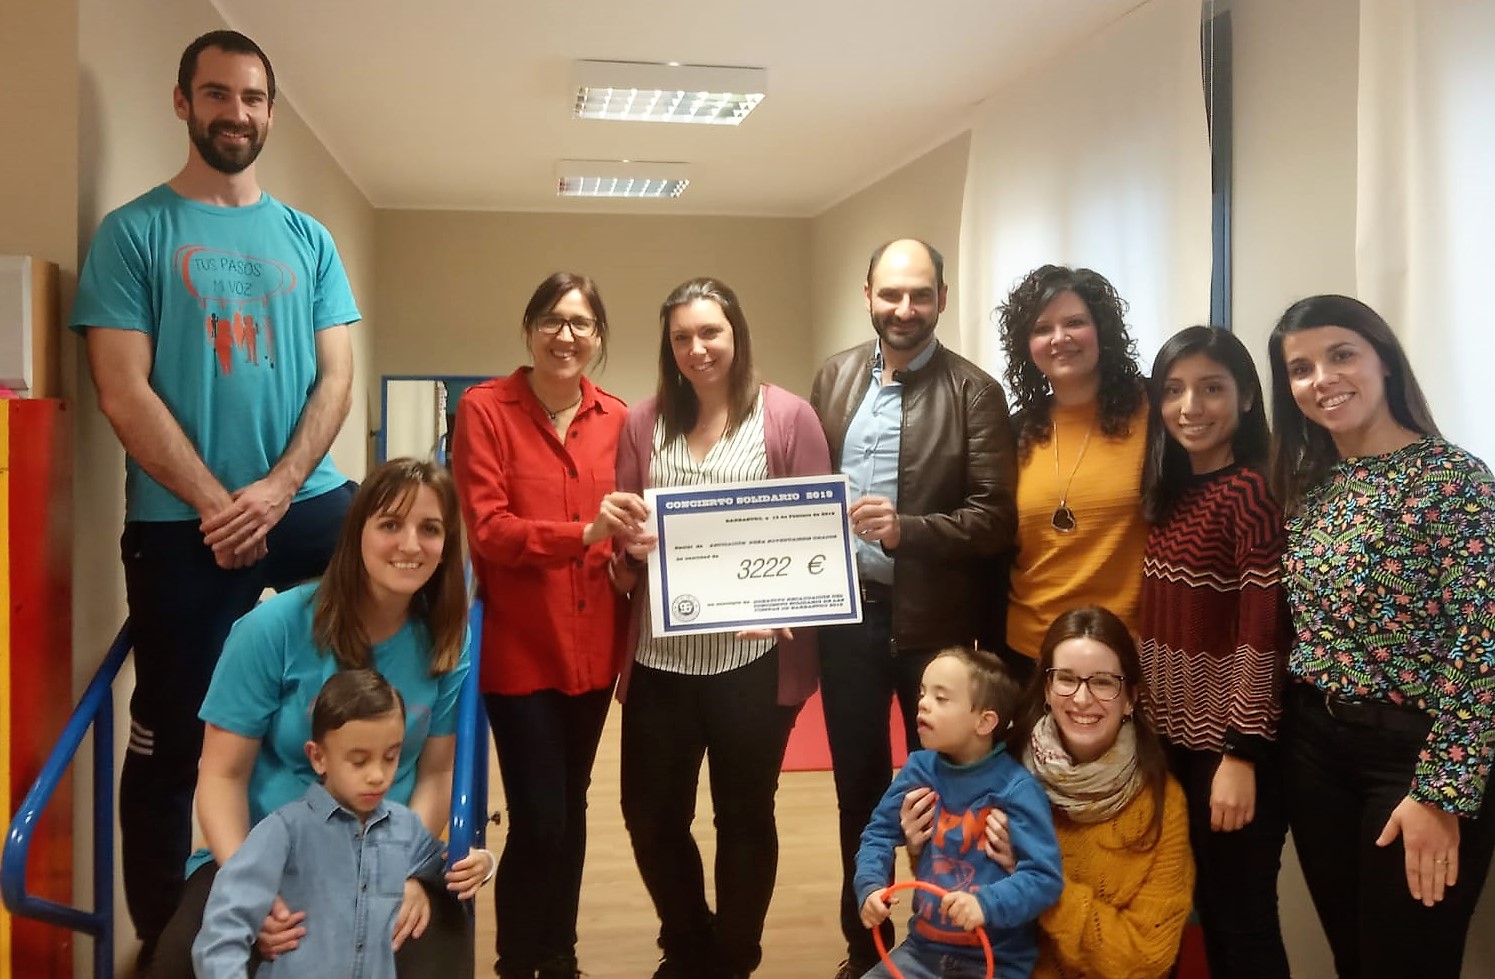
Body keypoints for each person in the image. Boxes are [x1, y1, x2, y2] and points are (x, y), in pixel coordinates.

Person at [68, 29, 360, 961]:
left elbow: (334, 380)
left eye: (252, 97)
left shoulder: (307, 240)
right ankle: (164, 941)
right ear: (183, 101)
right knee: (170, 739)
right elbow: (122, 387)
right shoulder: (136, 231)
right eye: (217, 94)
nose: (236, 112)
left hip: (301, 500)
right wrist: (217, 503)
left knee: (401, 554)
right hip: (178, 520)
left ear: (270, 109)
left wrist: (275, 491)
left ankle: (379, 867)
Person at [149, 459, 491, 978]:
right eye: (391, 525)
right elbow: (222, 775)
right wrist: (250, 887)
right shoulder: (272, 629)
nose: (410, 545)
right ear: (358, 533)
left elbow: (437, 773)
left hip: (384, 856)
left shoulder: (447, 641)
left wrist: (406, 874)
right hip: (264, 853)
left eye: (430, 529)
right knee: (178, 964)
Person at [1266, 295, 1495, 978]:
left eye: (1341, 354)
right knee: (1353, 960)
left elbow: (1482, 647)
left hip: (1413, 759)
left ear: (1383, 361)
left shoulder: (1454, 480)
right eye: (1300, 368)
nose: (1321, 378)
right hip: (1315, 753)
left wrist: (1438, 792)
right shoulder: (1308, 486)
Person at [613, 277, 832, 979]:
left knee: (743, 817)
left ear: (735, 335)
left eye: (710, 332)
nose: (697, 348)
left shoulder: (788, 417)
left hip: (751, 666)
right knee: (649, 816)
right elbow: (618, 547)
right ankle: (688, 940)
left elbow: (815, 541)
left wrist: (783, 604)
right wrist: (630, 548)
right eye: (682, 336)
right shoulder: (642, 423)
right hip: (659, 661)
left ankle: (734, 958)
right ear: (668, 346)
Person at [811, 238, 1016, 978]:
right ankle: (862, 939)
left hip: (931, 631)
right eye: (890, 293)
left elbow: (996, 518)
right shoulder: (833, 377)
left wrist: (908, 531)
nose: (903, 309)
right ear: (867, 292)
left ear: (941, 297)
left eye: (919, 295)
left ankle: (940, 946)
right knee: (856, 791)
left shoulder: (974, 392)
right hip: (843, 622)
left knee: (943, 794)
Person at [452, 272, 646, 979]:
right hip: (520, 651)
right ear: (529, 329)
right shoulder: (485, 409)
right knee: (540, 814)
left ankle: (558, 955)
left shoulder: (621, 417)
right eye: (552, 320)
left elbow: (629, 528)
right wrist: (584, 531)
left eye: (581, 323)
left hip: (596, 651)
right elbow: (489, 530)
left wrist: (631, 549)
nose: (566, 335)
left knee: (571, 803)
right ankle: (515, 960)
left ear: (597, 337)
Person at [923, 607, 1195, 977]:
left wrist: (1038, 882)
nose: (1082, 699)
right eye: (1066, 679)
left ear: (1130, 697)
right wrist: (924, 841)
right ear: (1048, 690)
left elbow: (1147, 958)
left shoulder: (1163, 804)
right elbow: (948, 906)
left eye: (1102, 682)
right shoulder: (1000, 772)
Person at [1136, 325, 1290, 977]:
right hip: (1170, 740)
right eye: (1172, 390)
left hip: (1228, 748)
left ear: (1247, 398)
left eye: (1210, 388)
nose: (1189, 407)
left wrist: (1239, 751)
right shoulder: (1169, 490)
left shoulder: (1252, 491)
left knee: (1240, 917)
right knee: (1198, 906)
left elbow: (1263, 634)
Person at [192, 669, 447, 979]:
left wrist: (480, 864)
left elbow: (443, 865)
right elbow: (223, 928)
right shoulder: (282, 831)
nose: (378, 775)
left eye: (391, 757)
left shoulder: (406, 826)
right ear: (318, 757)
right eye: (359, 761)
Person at [855, 647, 1063, 979]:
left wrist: (986, 904)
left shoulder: (1016, 789)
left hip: (995, 962)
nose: (922, 703)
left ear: (984, 721)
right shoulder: (919, 770)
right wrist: (870, 886)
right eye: (923, 693)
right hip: (922, 952)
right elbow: (878, 834)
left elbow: (1044, 879)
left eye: (941, 698)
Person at [996, 265, 1149, 670]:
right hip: (1028, 652)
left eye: (1075, 323)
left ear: (1102, 330)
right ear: (1026, 345)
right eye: (1042, 328)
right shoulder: (1016, 431)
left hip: (1124, 653)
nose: (1059, 339)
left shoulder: (1154, 414)